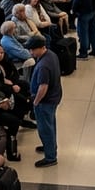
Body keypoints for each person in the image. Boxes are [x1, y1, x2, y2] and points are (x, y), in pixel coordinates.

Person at [29, 36, 62, 168]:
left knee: (45, 128)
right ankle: (50, 147)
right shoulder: (51, 55)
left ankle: (50, 157)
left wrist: (36, 102)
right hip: (54, 97)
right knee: (51, 124)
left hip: (45, 101)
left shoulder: (43, 66)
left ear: (41, 48)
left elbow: (43, 87)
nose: (31, 52)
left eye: (32, 49)